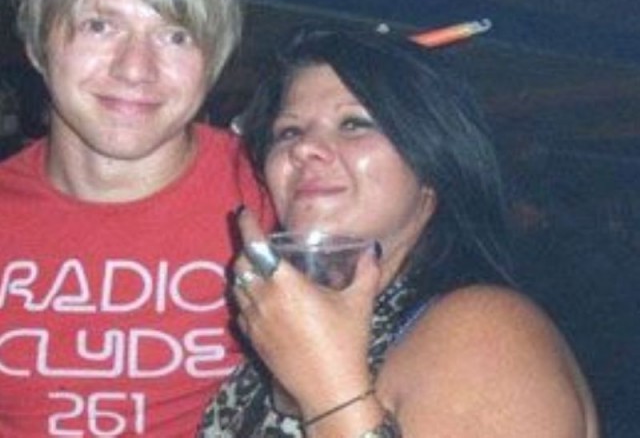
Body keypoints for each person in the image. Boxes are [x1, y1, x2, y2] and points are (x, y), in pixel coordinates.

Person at [199, 27, 600, 437]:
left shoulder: (485, 331)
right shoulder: (298, 324)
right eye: (289, 132)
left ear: (432, 164)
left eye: (353, 124)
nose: (303, 149)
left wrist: (330, 393)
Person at [0, 0, 270, 436]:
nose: (135, 69)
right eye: (100, 26)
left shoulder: (274, 192)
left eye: (176, 35)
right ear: (38, 44)